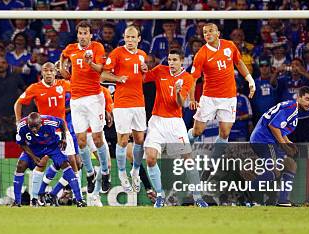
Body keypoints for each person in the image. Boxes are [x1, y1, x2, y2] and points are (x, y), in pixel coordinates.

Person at [143, 49, 208, 208]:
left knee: (188, 159)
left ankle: (197, 197)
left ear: (182, 61)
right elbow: (144, 78)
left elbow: (180, 103)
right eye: (169, 60)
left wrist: (178, 92)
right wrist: (142, 69)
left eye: (174, 60)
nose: (171, 63)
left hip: (175, 123)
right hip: (157, 121)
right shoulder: (160, 70)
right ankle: (159, 195)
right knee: (151, 158)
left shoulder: (187, 78)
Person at [188, 23, 255, 159]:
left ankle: (213, 163)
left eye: (210, 31)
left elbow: (239, 62)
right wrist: (192, 99)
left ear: (218, 33)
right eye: (205, 32)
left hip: (229, 97)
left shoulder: (229, 46)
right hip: (209, 98)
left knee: (224, 133)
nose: (207, 34)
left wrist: (250, 79)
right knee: (197, 131)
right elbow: (193, 79)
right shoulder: (201, 54)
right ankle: (185, 145)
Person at [13, 62, 77, 206]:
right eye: (45, 71)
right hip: (42, 133)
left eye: (51, 70)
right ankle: (35, 199)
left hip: (62, 130)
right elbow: (18, 103)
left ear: (55, 72)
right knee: (41, 163)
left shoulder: (63, 84)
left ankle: (52, 193)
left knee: (74, 163)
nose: (48, 73)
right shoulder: (35, 88)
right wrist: (18, 122)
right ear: (42, 73)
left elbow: (79, 89)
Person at [59, 21, 112, 195]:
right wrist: (62, 67)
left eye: (85, 33)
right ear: (78, 35)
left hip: (94, 99)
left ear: (90, 35)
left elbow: (101, 70)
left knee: (97, 139)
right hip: (76, 100)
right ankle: (90, 173)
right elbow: (63, 55)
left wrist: (90, 63)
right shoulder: (71, 48)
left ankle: (105, 172)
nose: (82, 36)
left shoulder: (97, 48)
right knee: (81, 140)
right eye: (80, 33)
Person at [100, 25, 148, 193]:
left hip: (139, 103)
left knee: (140, 140)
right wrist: (117, 78)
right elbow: (103, 75)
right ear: (124, 38)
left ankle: (135, 171)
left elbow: (142, 78)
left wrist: (145, 72)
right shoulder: (117, 53)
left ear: (139, 39)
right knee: (122, 141)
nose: (130, 40)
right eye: (127, 37)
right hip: (122, 104)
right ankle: (121, 173)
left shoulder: (142, 55)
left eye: (133, 37)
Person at [249, 86, 309, 206]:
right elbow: (273, 126)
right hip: (264, 140)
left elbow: (281, 128)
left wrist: (288, 142)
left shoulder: (292, 109)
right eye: (307, 99)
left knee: (291, 165)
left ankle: (283, 200)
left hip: (267, 140)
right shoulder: (291, 109)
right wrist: (284, 146)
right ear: (299, 97)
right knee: (275, 169)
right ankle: (249, 194)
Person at [13, 112, 86, 207]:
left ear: (41, 123)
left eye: (36, 126)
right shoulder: (22, 126)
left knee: (67, 165)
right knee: (20, 165)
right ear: (28, 124)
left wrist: (63, 138)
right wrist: (33, 157)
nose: (34, 129)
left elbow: (62, 122)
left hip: (52, 146)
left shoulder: (49, 121)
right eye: (31, 127)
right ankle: (17, 202)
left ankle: (79, 200)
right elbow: (21, 143)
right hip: (35, 147)